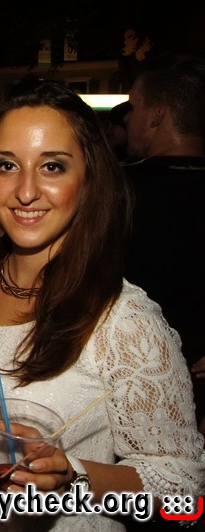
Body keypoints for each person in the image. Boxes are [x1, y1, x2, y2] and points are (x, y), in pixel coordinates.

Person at [0, 79, 205, 531]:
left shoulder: (124, 321)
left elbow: (184, 486)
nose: (25, 191)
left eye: (52, 167)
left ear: (89, 179)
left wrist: (74, 477)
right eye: (7, 165)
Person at [122, 52, 205, 439]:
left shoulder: (117, 190)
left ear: (157, 115)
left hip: (127, 380)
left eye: (133, 107)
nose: (127, 118)